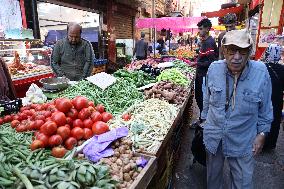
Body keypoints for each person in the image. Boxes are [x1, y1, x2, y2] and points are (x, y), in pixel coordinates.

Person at [202, 30, 273, 189]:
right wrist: (204, 120)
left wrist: (262, 133)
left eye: (242, 51)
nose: (237, 56)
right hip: (214, 137)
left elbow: (266, 109)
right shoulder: (214, 69)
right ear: (223, 51)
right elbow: (206, 96)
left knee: (243, 183)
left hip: (243, 141)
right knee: (213, 180)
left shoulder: (261, 73)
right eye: (231, 50)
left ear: (249, 52)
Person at [192, 18, 218, 127]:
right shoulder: (205, 41)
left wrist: (197, 64)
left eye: (201, 28)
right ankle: (202, 118)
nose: (199, 30)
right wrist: (198, 57)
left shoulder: (209, 42)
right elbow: (205, 57)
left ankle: (204, 121)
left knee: (203, 98)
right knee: (199, 96)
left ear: (207, 29)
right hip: (200, 74)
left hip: (204, 76)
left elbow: (212, 61)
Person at [262, 44, 284, 151]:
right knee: (274, 121)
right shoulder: (282, 69)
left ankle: (260, 141)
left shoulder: (262, 67)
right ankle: (270, 145)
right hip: (277, 99)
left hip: (264, 98)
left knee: (262, 118)